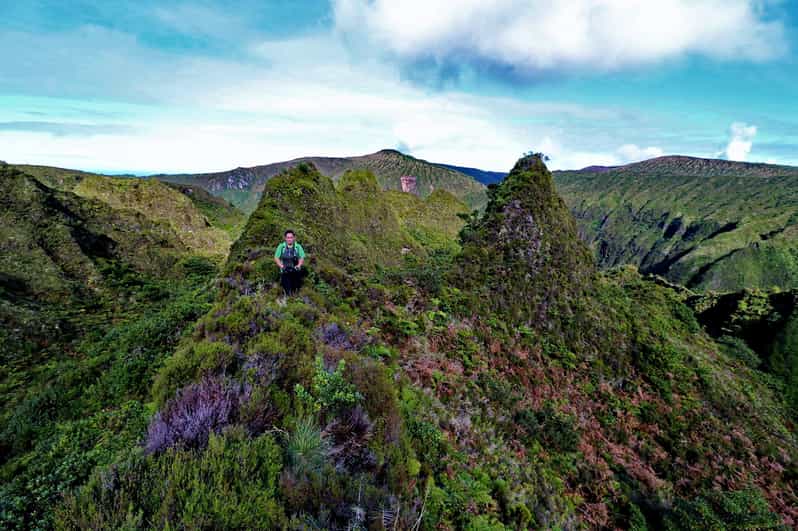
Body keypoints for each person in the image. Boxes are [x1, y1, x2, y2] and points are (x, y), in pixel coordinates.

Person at [274, 230, 305, 295]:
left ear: (294, 238)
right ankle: (288, 300)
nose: (289, 239)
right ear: (285, 238)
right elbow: (276, 258)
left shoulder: (298, 247)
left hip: (295, 271)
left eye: (291, 237)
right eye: (288, 237)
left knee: (296, 290)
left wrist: (298, 265)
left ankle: (296, 302)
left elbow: (301, 257)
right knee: (288, 291)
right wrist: (282, 266)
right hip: (285, 271)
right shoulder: (281, 246)